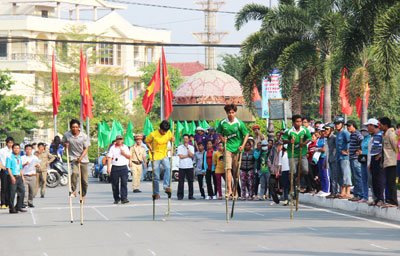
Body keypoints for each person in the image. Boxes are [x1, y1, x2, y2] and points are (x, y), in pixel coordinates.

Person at [217, 103, 249, 199]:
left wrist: (242, 146)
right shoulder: (223, 123)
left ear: (235, 113)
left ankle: (235, 189)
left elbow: (246, 134)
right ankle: (229, 189)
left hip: (237, 149)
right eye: (229, 113)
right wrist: (222, 138)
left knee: (236, 171)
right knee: (228, 169)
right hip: (228, 148)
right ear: (226, 113)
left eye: (232, 112)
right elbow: (219, 132)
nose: (231, 114)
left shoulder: (239, 123)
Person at [282, 115, 312, 200]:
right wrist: (289, 141)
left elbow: (309, 138)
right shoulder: (289, 131)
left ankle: (299, 179)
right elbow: (283, 139)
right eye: (297, 122)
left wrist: (304, 143)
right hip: (292, 154)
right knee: (292, 171)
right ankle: (292, 185)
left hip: (302, 153)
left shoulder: (304, 130)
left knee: (305, 170)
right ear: (293, 122)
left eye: (300, 121)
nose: (299, 123)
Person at [62, 119, 91, 202]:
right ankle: (73, 190)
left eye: (76, 127)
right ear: (70, 127)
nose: (74, 129)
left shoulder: (84, 136)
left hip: (83, 160)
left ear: (79, 128)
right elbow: (62, 142)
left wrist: (81, 158)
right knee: (74, 173)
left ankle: (82, 194)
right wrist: (65, 144)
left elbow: (86, 148)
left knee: (84, 180)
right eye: (73, 127)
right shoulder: (67, 135)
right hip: (73, 158)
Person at [145, 120, 174, 199]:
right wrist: (151, 148)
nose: (164, 133)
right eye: (163, 131)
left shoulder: (168, 132)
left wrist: (172, 139)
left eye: (166, 131)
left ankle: (166, 186)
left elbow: (171, 138)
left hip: (164, 154)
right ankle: (156, 193)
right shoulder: (153, 134)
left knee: (168, 168)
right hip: (155, 155)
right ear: (160, 129)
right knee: (156, 176)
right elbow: (147, 141)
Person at [379, 117, 398, 207]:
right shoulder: (384, 134)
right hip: (387, 162)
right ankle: (390, 200)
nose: (379, 127)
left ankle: (394, 201)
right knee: (388, 182)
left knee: (391, 182)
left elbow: (396, 148)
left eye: (380, 125)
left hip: (392, 162)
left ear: (385, 126)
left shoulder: (391, 135)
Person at [107, 135, 130, 204]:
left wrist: (124, 153)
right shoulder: (112, 148)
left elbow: (129, 156)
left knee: (124, 183)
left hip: (123, 167)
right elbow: (110, 158)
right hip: (115, 167)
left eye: (120, 139)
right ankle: (116, 198)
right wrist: (108, 168)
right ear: (116, 140)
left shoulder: (125, 147)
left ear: (122, 140)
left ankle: (124, 198)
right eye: (118, 140)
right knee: (115, 184)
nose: (119, 141)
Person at [367, 118, 384, 206]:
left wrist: (381, 154)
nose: (368, 128)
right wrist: (370, 163)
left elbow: (386, 147)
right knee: (373, 180)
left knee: (379, 180)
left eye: (369, 126)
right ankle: (376, 199)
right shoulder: (373, 136)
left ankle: (380, 199)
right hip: (373, 159)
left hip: (380, 159)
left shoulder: (381, 135)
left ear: (373, 126)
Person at [345, 120, 364, 201]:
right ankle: (356, 194)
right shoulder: (352, 135)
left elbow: (361, 140)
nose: (348, 127)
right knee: (355, 176)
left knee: (358, 176)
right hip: (352, 157)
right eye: (347, 126)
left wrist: (359, 149)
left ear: (354, 126)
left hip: (356, 158)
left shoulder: (357, 133)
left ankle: (360, 194)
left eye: (349, 126)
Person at [334, 116, 351, 199]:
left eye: (338, 123)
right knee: (340, 174)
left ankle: (347, 192)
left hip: (344, 157)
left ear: (342, 124)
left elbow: (349, 141)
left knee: (346, 174)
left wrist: (347, 151)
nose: (336, 125)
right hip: (338, 156)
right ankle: (342, 191)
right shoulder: (338, 134)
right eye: (335, 124)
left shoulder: (345, 132)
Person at [6, 144, 26, 214]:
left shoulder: (19, 157)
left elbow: (20, 167)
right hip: (12, 176)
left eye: (18, 148)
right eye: (15, 148)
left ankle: (18, 207)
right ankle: (11, 208)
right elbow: (8, 168)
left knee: (22, 191)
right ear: (12, 149)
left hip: (19, 177)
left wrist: (22, 176)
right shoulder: (10, 157)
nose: (16, 149)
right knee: (12, 193)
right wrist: (12, 177)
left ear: (20, 149)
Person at [177, 134, 195, 200]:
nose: (185, 140)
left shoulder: (191, 147)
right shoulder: (180, 147)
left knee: (190, 181)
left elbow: (192, 155)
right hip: (182, 166)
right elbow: (181, 156)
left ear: (188, 139)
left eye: (186, 139)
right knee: (181, 181)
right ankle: (180, 195)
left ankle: (191, 195)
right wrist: (188, 155)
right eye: (184, 139)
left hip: (189, 166)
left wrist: (187, 148)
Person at [325, 123, 338, 199]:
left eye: (327, 129)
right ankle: (332, 192)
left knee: (335, 177)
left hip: (335, 159)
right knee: (331, 176)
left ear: (332, 130)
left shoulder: (334, 137)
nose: (325, 131)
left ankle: (335, 192)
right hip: (330, 159)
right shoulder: (328, 138)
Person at [315, 126, 330, 197]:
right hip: (319, 158)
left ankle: (327, 190)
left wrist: (317, 149)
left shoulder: (325, 139)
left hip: (325, 157)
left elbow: (323, 149)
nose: (322, 132)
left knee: (325, 174)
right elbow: (318, 147)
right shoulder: (319, 139)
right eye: (321, 131)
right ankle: (323, 189)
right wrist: (318, 149)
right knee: (320, 174)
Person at [0, 136, 13, 209]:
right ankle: (3, 203)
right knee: (4, 187)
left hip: (11, 170)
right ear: (6, 143)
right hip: (4, 170)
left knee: (10, 187)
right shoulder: (2, 151)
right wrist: (2, 167)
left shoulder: (13, 151)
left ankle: (8, 203)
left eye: (12, 143)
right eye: (9, 143)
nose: (10, 144)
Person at [358, 125, 370, 203]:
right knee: (364, 178)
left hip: (369, 159)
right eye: (362, 131)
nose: (363, 132)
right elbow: (361, 148)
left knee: (370, 179)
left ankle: (375, 197)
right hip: (363, 159)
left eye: (365, 130)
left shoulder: (370, 138)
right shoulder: (364, 139)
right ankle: (365, 196)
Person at [268, 140, 283, 205]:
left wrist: (280, 170)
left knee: (281, 186)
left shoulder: (285, 150)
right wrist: (271, 167)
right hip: (273, 170)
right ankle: (275, 199)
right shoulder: (273, 149)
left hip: (282, 171)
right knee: (271, 184)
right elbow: (269, 159)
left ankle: (284, 198)